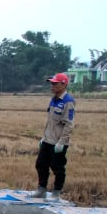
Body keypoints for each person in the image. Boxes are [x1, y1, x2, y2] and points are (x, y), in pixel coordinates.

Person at [29, 72, 75, 200]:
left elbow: (69, 124)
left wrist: (62, 142)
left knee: (57, 167)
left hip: (58, 142)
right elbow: (51, 121)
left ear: (63, 85)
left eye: (55, 83)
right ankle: (41, 189)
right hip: (48, 139)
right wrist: (44, 137)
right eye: (52, 83)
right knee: (41, 164)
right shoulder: (53, 100)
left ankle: (56, 192)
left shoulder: (68, 102)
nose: (52, 86)